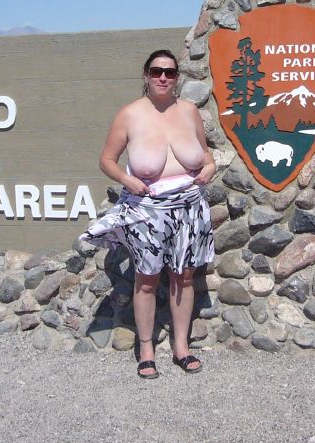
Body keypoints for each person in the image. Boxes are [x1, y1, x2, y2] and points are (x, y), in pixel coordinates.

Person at [84, 49, 216, 379]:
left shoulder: (189, 111)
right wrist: (128, 180)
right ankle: (146, 349)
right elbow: (107, 160)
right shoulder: (129, 114)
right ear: (146, 75)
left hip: (189, 208)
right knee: (146, 278)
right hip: (147, 210)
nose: (163, 78)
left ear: (177, 78)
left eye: (170, 72)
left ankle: (181, 347)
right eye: (157, 71)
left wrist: (210, 167)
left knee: (184, 277)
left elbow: (206, 154)